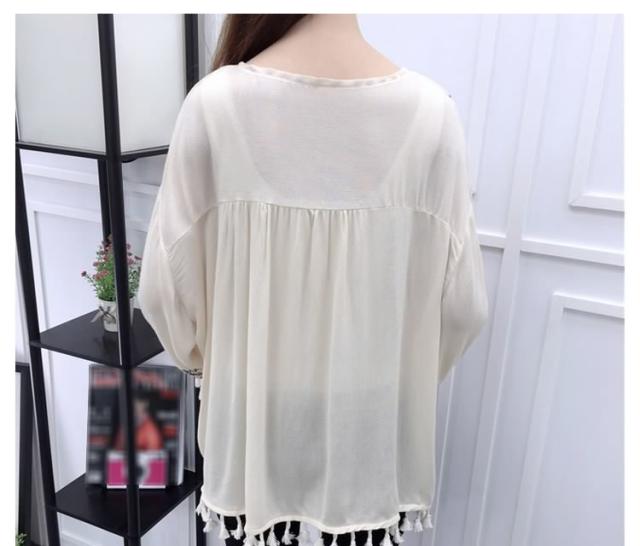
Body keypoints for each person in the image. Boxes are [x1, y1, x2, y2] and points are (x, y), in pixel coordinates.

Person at [138, 13, 489, 546]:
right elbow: (465, 309)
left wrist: (210, 364)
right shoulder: (431, 113)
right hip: (369, 414)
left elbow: (162, 291)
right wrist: (402, 372)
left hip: (253, 409)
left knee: (256, 532)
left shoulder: (214, 104)